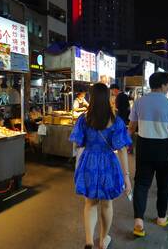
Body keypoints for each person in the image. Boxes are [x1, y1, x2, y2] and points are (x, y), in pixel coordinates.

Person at [69, 83, 132, 249]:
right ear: (108, 98)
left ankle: (89, 241)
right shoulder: (115, 121)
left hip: (89, 161)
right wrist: (127, 177)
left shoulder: (83, 119)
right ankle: (103, 240)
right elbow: (122, 149)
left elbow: (78, 143)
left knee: (90, 203)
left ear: (92, 97)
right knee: (106, 203)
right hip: (108, 163)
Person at [128, 72, 168, 237]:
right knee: (164, 185)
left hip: (144, 146)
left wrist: (126, 145)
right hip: (163, 148)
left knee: (141, 184)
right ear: (164, 85)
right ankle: (161, 217)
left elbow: (131, 128)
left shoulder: (139, 102)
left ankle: (138, 221)